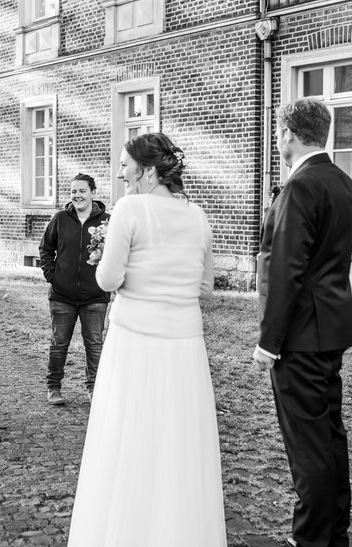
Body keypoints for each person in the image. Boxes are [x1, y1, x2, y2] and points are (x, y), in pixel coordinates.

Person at [68, 133, 226, 546]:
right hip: (185, 345)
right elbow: (206, 288)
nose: (120, 174)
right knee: (178, 443)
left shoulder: (130, 208)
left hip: (135, 342)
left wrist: (120, 267)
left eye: (125, 166)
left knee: (127, 438)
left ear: (148, 170)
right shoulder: (197, 215)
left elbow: (106, 278)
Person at [253, 98, 352, 547]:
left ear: (288, 135)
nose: (278, 138)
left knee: (308, 446)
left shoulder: (300, 187)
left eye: (279, 131)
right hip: (330, 327)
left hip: (299, 336)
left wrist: (269, 341)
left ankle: (310, 538)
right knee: (329, 437)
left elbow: (286, 269)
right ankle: (333, 532)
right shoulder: (343, 182)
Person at [39, 173, 111, 405]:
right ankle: (54, 387)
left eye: (82, 191)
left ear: (92, 192)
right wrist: (53, 276)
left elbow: (115, 255)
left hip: (95, 295)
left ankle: (94, 388)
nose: (77, 195)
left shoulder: (107, 222)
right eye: (73, 191)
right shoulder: (60, 219)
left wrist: (106, 280)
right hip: (62, 295)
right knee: (59, 343)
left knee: (94, 344)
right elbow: (45, 249)